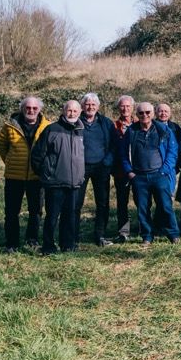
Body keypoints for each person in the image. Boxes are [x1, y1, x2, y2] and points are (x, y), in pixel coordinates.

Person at [121, 102, 179, 244]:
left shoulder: (164, 130)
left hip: (159, 175)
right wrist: (129, 172)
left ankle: (173, 234)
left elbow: (173, 152)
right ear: (137, 114)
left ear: (153, 114)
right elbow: (122, 154)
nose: (144, 115)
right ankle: (147, 236)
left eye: (148, 112)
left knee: (165, 206)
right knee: (142, 208)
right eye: (141, 113)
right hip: (139, 177)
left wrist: (165, 171)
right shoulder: (131, 131)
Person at [32, 100, 85, 254]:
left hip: (74, 183)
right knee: (52, 217)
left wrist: (80, 175)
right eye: (69, 110)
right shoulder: (52, 129)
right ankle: (48, 246)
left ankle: (67, 245)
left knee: (70, 216)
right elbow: (37, 155)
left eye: (75, 111)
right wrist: (46, 174)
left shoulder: (81, 131)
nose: (72, 113)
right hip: (54, 183)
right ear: (63, 111)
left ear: (79, 112)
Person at [0, 96, 49, 252]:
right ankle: (11, 243)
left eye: (34, 108)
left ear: (39, 109)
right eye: (27, 108)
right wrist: (12, 163)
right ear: (22, 109)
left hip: (36, 176)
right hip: (14, 177)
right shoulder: (9, 126)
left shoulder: (48, 126)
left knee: (36, 211)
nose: (31, 111)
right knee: (11, 212)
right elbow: (2, 148)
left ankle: (32, 240)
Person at [76, 93, 116, 247]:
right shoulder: (76, 122)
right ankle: (74, 235)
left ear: (98, 107)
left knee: (103, 202)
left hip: (101, 167)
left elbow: (113, 145)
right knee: (76, 202)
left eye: (93, 104)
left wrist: (107, 162)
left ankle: (100, 235)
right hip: (80, 167)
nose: (90, 107)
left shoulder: (106, 123)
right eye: (87, 104)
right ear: (82, 106)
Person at [108, 95, 137, 243]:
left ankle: (144, 228)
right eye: (122, 106)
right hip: (120, 170)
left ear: (133, 108)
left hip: (139, 171)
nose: (125, 109)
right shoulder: (113, 126)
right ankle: (124, 231)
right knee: (122, 202)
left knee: (142, 201)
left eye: (128, 106)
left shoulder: (140, 123)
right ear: (118, 108)